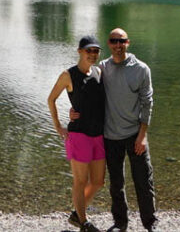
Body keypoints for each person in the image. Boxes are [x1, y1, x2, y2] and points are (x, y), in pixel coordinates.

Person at [73, 27, 157, 232]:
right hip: (110, 137)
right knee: (116, 185)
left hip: (135, 135)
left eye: (122, 41)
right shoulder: (101, 68)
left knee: (144, 182)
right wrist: (74, 110)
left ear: (128, 43)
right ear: (109, 44)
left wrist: (143, 136)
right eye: (113, 41)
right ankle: (120, 223)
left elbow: (148, 103)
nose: (118, 45)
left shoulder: (141, 69)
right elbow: (84, 90)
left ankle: (151, 224)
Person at [49, 35, 107, 232]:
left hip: (98, 135)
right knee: (80, 181)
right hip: (79, 135)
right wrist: (58, 126)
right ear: (80, 52)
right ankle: (84, 222)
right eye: (88, 50)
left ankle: (76, 213)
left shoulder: (99, 72)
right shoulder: (68, 75)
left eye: (96, 51)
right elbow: (51, 99)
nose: (92, 54)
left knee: (98, 181)